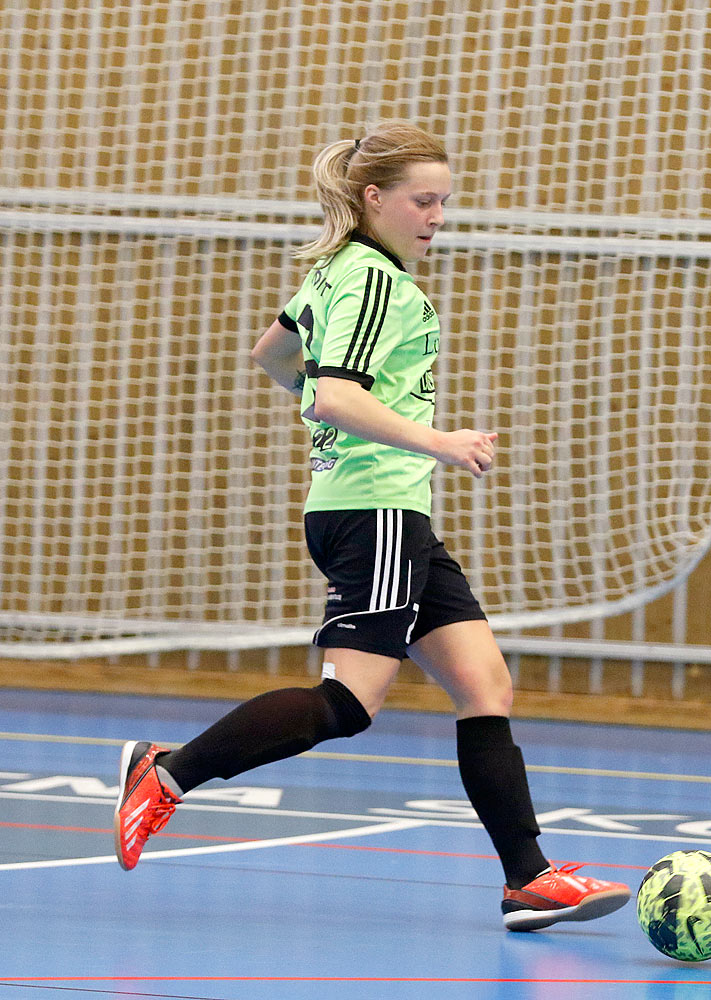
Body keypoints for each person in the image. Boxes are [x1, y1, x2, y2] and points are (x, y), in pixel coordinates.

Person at [115, 121, 629, 931]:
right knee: (348, 704)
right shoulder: (376, 281)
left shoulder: (335, 272)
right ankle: (168, 771)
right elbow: (328, 393)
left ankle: (528, 879)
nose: (436, 217)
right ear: (373, 198)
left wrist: (346, 427)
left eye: (444, 203)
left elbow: (274, 358)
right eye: (422, 201)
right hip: (375, 509)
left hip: (388, 510)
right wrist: (438, 440)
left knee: (485, 686)